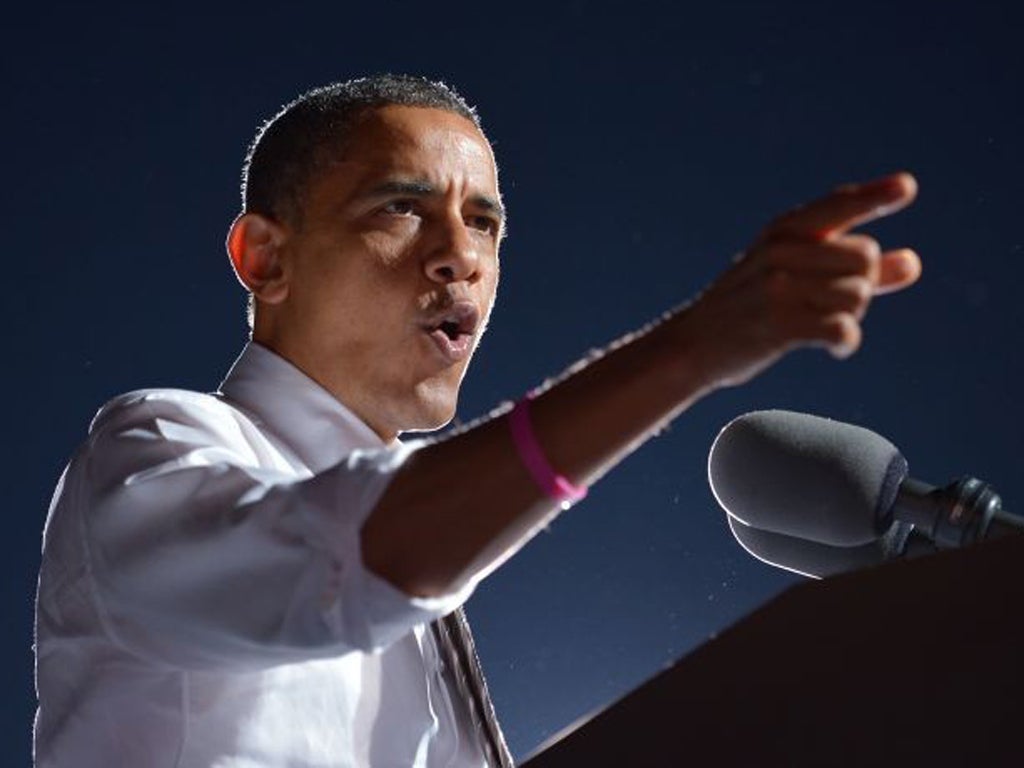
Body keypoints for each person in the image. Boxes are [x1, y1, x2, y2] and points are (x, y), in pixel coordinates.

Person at [33, 74, 922, 767]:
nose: (461, 255)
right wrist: (689, 352)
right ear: (264, 256)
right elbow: (360, 558)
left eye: (485, 223)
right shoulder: (154, 448)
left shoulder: (428, 569)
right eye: (401, 207)